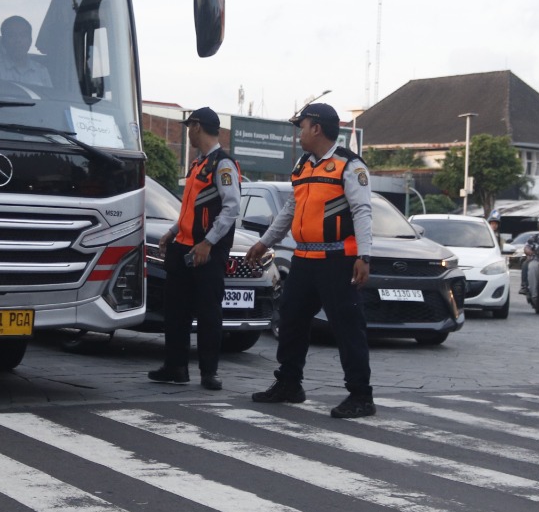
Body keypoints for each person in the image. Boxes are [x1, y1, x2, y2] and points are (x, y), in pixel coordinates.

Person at [246, 103, 377, 419]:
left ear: (316, 127)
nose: (299, 133)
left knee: (347, 327)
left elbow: (362, 211)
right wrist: (265, 242)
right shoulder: (303, 166)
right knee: (290, 320)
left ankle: (361, 396)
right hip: (304, 258)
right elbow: (290, 211)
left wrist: (364, 256)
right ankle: (290, 384)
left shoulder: (349, 166)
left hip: (337, 260)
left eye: (301, 126)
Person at [148, 108, 241, 392]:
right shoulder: (198, 164)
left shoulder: (222, 165)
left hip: (206, 252)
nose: (188, 131)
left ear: (197, 127)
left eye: (189, 126)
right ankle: (175, 367)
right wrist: (172, 232)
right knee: (175, 311)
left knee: (208, 312)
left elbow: (231, 207)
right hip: (184, 248)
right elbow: (189, 209)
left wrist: (208, 242)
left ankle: (208, 372)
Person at [0, 16, 51, 87]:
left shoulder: (41, 71)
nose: (18, 40)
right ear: (3, 41)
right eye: (12, 35)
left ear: (30, 40)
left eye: (23, 35)